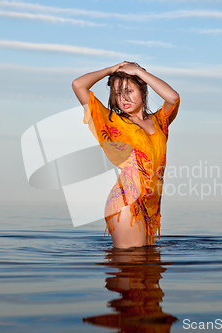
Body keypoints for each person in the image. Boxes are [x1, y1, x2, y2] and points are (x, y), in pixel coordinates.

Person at [72, 62, 179, 248]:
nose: (124, 98)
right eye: (118, 93)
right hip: (126, 201)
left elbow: (173, 97)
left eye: (129, 91)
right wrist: (110, 70)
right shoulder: (110, 121)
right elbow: (78, 85)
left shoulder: (160, 121)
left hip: (150, 206)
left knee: (147, 270)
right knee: (133, 265)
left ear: (142, 90)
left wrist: (138, 71)